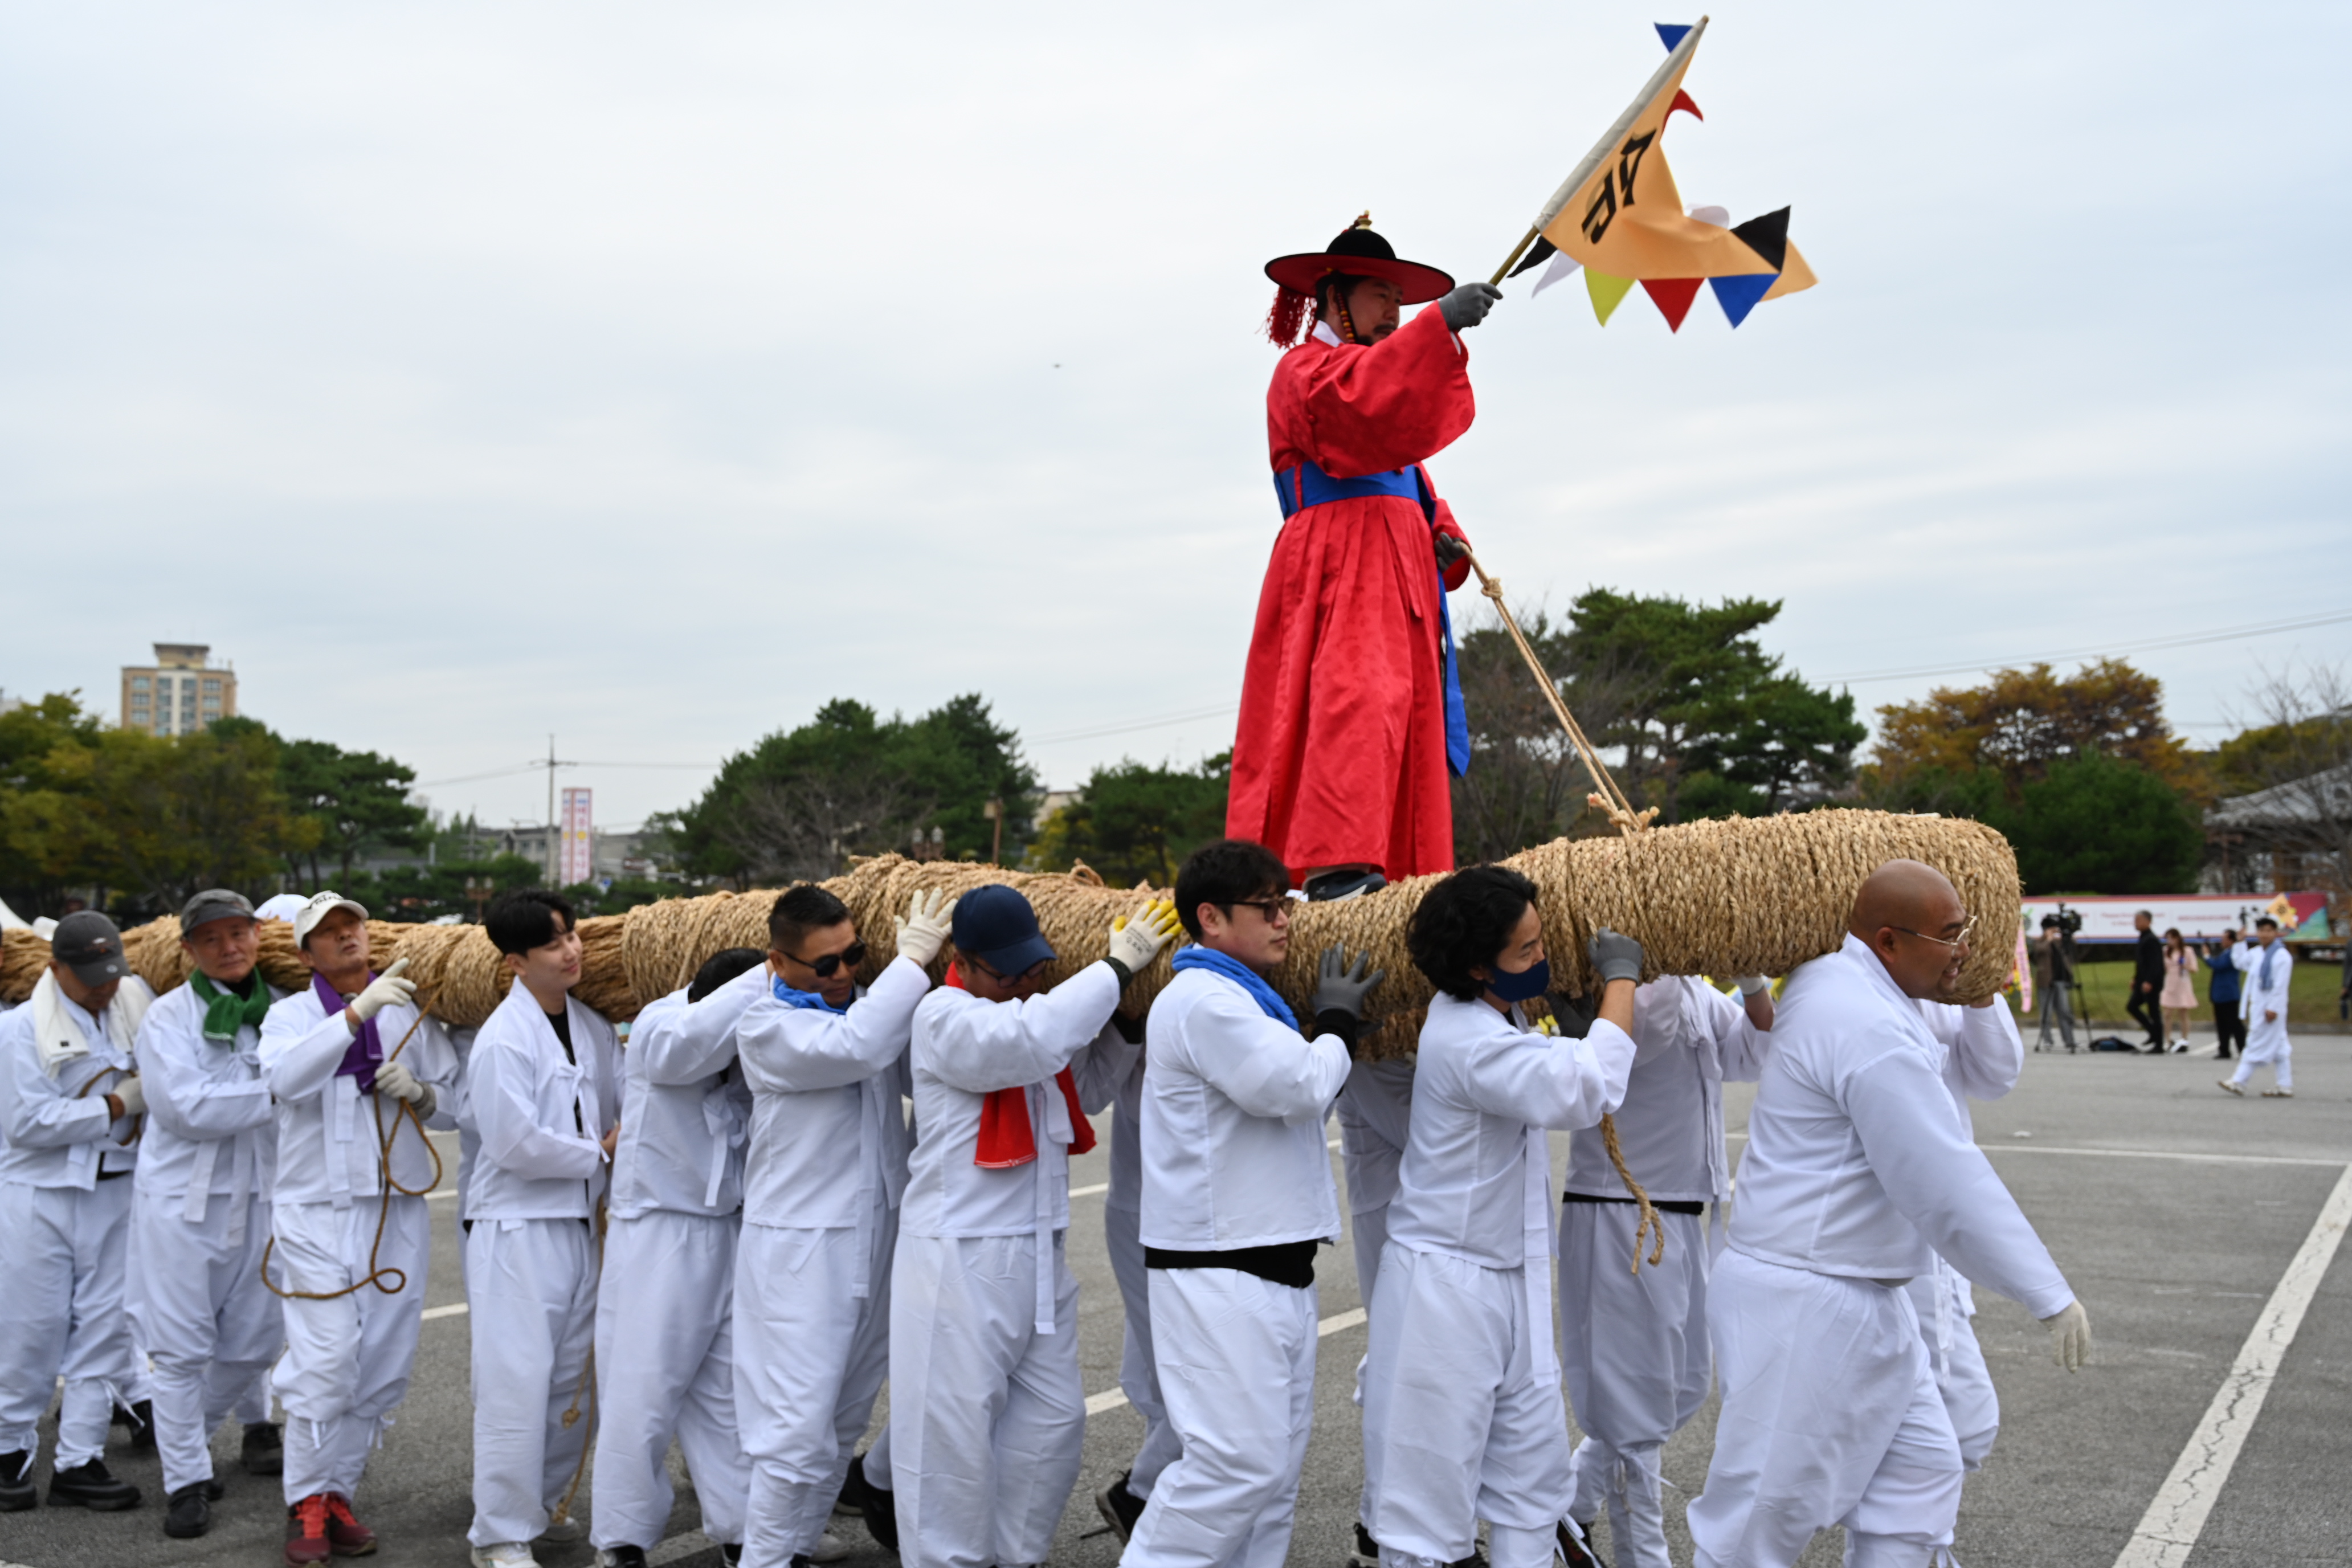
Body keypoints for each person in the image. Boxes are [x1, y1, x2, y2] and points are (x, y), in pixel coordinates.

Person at [1686, 860, 2090, 1568]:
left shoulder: (1835, 981)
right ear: (1888, 940)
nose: (1964, 949)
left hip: (1855, 1288)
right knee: (1760, 1518)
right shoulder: (1868, 1023)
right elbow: (1942, 1176)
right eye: (1950, 934)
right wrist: (2046, 1293)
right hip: (1807, 1298)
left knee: (1922, 1473)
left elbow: (1984, 1085)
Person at [1359, 865, 1644, 1568]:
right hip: (1444, 1292)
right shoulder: (1468, 1037)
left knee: (1532, 1487)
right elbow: (1587, 1088)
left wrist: (1579, 1028)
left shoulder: (1497, 1016)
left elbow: (1559, 1063)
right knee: (1426, 1508)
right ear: (1477, 965)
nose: (1541, 960)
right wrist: (1621, 983)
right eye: (1527, 952)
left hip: (1506, 1278)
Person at [891, 888, 1178, 1568]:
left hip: (1040, 1252)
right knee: (948, 1444)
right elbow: (1032, 1042)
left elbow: (1085, 1084)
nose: (1026, 981)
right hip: (958, 1256)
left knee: (1052, 1427)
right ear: (963, 962)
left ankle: (1015, 1557)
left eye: (1035, 967)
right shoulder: (943, 1015)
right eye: (1009, 972)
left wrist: (1129, 1018)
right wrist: (1115, 968)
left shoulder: (1029, 1014)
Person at [1119, 838, 1382, 1568]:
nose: (1284, 920)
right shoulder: (1203, 999)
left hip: (1267, 1266)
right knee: (1233, 1469)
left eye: (1286, 904)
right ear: (1210, 917)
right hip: (1219, 1270)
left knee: (1272, 1480)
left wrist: (1326, 1034)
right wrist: (1335, 1024)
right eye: (1266, 908)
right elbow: (1296, 1086)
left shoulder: (1241, 997)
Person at [1226, 216, 1502, 900]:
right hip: (1339, 564)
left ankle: (1405, 871)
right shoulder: (1303, 371)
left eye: (1400, 300)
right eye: (1381, 295)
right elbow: (1359, 411)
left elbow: (1413, 479)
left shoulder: (1372, 378)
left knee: (1406, 712)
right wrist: (1437, 327)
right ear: (1332, 299)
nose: (1394, 312)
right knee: (1356, 699)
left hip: (1398, 568)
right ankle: (1338, 862)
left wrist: (1443, 534)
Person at [728, 884, 958, 1568]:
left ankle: (795, 1544)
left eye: (854, 955)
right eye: (824, 964)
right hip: (800, 1252)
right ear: (778, 962)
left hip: (873, 1239)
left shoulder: (862, 1008)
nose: (843, 973)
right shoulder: (767, 1027)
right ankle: (764, 1558)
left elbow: (913, 1060)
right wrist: (912, 961)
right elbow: (856, 1049)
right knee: (794, 1427)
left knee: (845, 1414)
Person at [260, 891, 460, 1566]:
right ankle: (306, 1500)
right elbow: (286, 1080)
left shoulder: (409, 1005)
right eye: (329, 931)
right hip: (316, 1209)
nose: (346, 937)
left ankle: (338, 1492)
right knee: (325, 1360)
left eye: (354, 925)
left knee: (379, 1362)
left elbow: (454, 1101)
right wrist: (355, 1015)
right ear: (305, 951)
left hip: (395, 1206)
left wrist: (425, 1094)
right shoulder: (287, 1016)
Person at [1557, 971, 1773, 1568]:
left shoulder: (1694, 989)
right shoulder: (1640, 991)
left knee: (1681, 1385)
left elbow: (1756, 1052)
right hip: (1623, 1210)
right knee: (1637, 1403)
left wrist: (1752, 980)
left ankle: (1570, 1504)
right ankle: (1643, 1555)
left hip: (1680, 1210)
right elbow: (1625, 1054)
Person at [588, 945, 767, 1568]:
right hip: (659, 1234)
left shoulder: (748, 1031)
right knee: (642, 1392)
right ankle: (623, 1540)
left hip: (729, 1231)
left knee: (730, 1392)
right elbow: (683, 1051)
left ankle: (745, 1531)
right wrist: (768, 974)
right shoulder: (662, 1025)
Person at [464, 889, 624, 1568]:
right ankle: (498, 1532)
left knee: (569, 1379)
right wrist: (602, 1152)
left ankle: (545, 1504)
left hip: (579, 1224)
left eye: (573, 934)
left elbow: (618, 1103)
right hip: (517, 1230)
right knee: (514, 1381)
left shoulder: (591, 1025)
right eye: (554, 942)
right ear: (515, 961)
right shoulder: (503, 1038)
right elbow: (512, 1143)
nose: (573, 950)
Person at [129, 890, 287, 1539]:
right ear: (190, 948)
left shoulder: (279, 1011)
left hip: (260, 1198)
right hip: (182, 1207)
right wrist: (281, 1087)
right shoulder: (167, 1018)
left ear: (256, 936)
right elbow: (186, 1109)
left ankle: (185, 1438)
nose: (229, 948)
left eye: (238, 933)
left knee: (255, 1341)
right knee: (181, 1348)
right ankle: (187, 1480)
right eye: (212, 939)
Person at [0, 910, 154, 1513]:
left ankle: (80, 1461)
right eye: (88, 973)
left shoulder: (131, 1005)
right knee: (30, 1330)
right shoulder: (18, 1030)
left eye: (111, 970)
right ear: (54, 967)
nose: (104, 984)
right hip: (41, 1193)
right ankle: (10, 1451)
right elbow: (26, 1123)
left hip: (115, 1190)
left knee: (105, 1330)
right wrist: (117, 1103)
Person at [1905, 994, 2029, 1494]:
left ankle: (1910, 1539)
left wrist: (1981, 994)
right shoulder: (1847, 985)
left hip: (1939, 1227)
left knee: (1955, 1423)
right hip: (1890, 1227)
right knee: (1957, 1419)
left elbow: (1996, 1075)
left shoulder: (1943, 992)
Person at [1094, 1005, 1173, 1547]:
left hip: (1182, 1218)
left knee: (1169, 1377)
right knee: (1193, 1383)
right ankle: (1143, 1492)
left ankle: (1153, 1492)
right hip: (1147, 1213)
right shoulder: (1172, 1015)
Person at [1335, 1050, 1415, 1568]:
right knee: (1398, 1370)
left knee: (1406, 1369)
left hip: (1423, 1217)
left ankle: (1381, 1520)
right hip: (1392, 1216)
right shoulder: (1371, 1056)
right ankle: (1386, 1526)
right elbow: (1429, 1134)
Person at [2219, 916, 2294, 1099]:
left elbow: (2280, 986)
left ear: (2275, 933)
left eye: (2269, 931)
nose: (2265, 934)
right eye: (2261, 931)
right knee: (2280, 1047)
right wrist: (2240, 941)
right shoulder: (2256, 953)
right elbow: (2240, 962)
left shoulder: (2282, 956)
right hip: (2258, 1005)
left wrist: (2273, 1007)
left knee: (2254, 1041)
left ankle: (2239, 1081)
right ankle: (2285, 1085)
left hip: (2270, 1009)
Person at [2026, 917, 2077, 1054]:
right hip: (2045, 982)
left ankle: (2069, 1040)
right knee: (2046, 1013)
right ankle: (2048, 1040)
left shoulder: (2059, 942)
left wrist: (2066, 934)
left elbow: (2071, 945)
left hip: (2061, 980)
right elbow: (2039, 952)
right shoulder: (2040, 942)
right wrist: (2047, 938)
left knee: (2065, 1011)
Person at [2202, 930, 2247, 1061]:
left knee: (2234, 1024)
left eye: (2224, 939)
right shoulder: (2225, 953)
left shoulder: (2233, 953)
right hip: (2220, 995)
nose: (2222, 941)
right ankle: (2224, 1049)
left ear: (2231, 940)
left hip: (2229, 994)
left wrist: (2207, 956)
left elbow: (2218, 965)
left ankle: (2243, 1049)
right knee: (2222, 1025)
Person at [2127, 910, 2165, 1051]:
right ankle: (2153, 1032)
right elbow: (2142, 962)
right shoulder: (2143, 938)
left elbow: (2155, 964)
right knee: (2132, 1006)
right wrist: (2136, 979)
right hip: (2142, 981)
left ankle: (2159, 1044)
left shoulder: (2152, 940)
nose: (2135, 924)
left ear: (2148, 922)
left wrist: (2149, 981)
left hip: (2151, 982)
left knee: (2154, 1011)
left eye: (2138, 921)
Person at [2158, 928, 2197, 1052]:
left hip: (2183, 982)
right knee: (2167, 1013)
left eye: (2172, 938)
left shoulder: (2187, 951)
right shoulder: (2165, 951)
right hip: (2170, 982)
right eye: (2168, 939)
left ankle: (2184, 1039)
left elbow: (2195, 969)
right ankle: (2167, 1040)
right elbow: (2163, 968)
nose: (2170, 941)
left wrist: (2185, 965)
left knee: (2183, 1012)